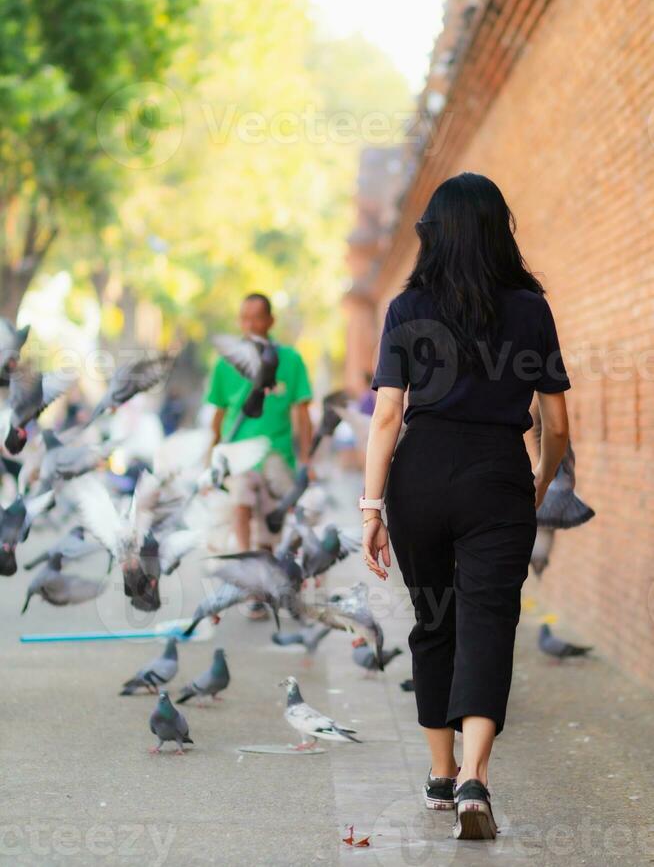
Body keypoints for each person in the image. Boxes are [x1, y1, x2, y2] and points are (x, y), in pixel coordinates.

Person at [361, 172, 570, 841]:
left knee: (435, 622)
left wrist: (371, 507)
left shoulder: (408, 306)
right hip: (498, 473)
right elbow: (556, 423)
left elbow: (388, 412)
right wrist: (537, 480)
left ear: (434, 233)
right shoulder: (531, 309)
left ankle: (441, 775)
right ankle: (478, 778)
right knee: (487, 621)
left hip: (419, 474)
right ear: (496, 229)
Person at [207, 293, 313, 618]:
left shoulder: (290, 360)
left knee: (271, 520)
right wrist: (212, 454)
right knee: (241, 501)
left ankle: (263, 578)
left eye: (257, 318)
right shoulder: (226, 363)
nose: (250, 324)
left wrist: (307, 459)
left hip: (277, 454)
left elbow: (302, 413)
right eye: (245, 318)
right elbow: (219, 413)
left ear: (270, 321)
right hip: (239, 453)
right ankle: (250, 579)